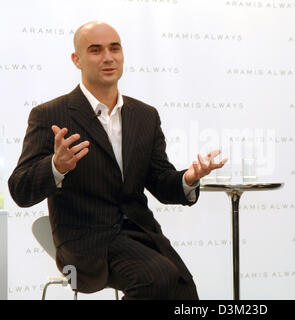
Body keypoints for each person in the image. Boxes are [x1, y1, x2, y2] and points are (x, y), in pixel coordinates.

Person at [8, 21, 226, 300]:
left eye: (115, 48)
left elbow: (160, 181)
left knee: (184, 291)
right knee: (156, 277)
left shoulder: (145, 115)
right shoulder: (50, 114)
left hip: (140, 234)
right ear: (77, 59)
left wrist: (188, 179)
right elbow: (19, 190)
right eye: (96, 50)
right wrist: (55, 166)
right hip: (84, 242)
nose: (108, 57)